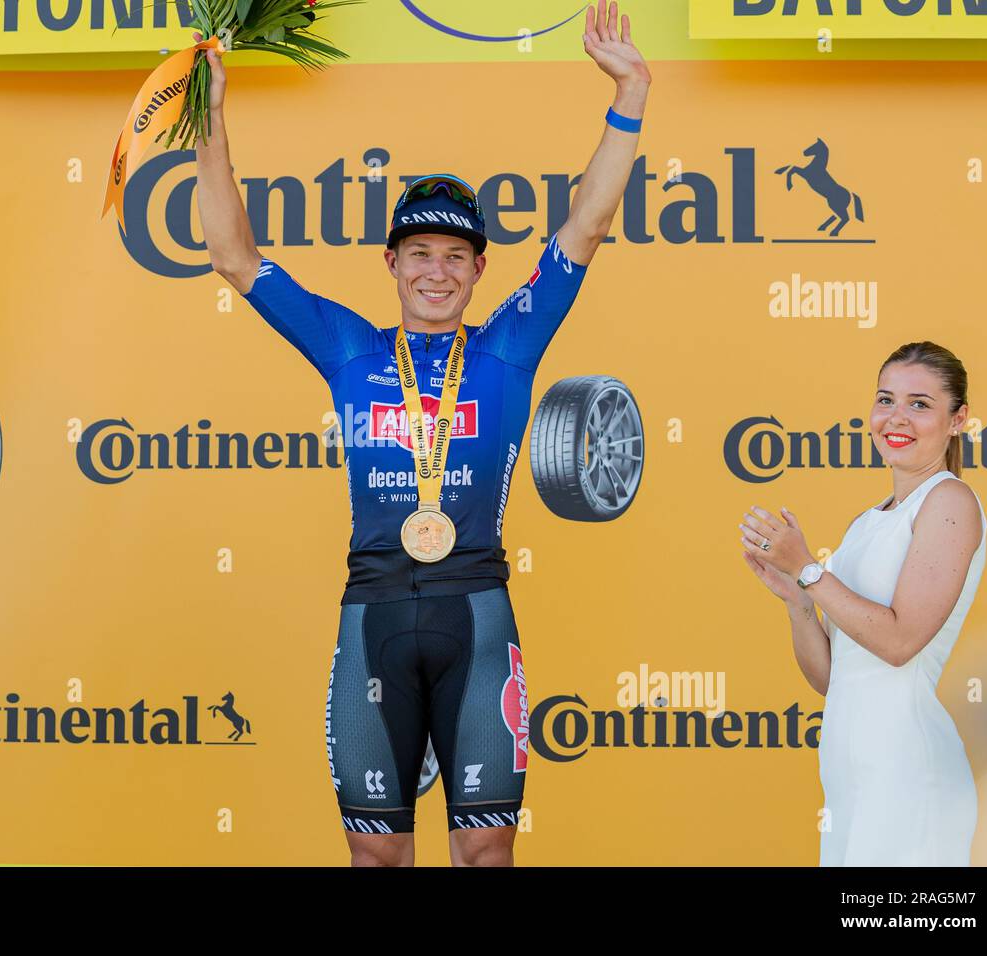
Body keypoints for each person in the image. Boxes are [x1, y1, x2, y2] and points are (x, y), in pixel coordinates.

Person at [193, 0, 649, 866]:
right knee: (376, 861)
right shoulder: (349, 348)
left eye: (454, 256)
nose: (435, 271)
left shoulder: (510, 345)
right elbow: (235, 257)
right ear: (392, 264)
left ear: (481, 270)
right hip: (370, 615)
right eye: (418, 254)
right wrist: (210, 120)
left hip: (475, 617)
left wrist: (630, 96)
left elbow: (585, 225)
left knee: (485, 855)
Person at [741, 341, 986, 866]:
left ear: (957, 419)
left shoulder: (949, 502)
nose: (896, 418)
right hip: (855, 785)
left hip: (910, 778)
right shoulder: (866, 522)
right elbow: (835, 678)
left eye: (920, 404)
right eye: (886, 399)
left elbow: (898, 644)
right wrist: (798, 601)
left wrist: (809, 570)